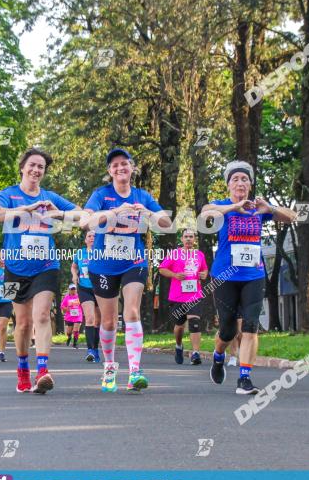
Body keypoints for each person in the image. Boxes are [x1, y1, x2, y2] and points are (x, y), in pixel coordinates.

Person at [0, 148, 86, 393]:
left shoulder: (50, 196)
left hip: (46, 264)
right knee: (21, 324)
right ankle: (22, 370)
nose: (36, 170)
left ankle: (42, 370)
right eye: (32, 165)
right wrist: (26, 210)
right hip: (15, 267)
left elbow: (84, 216)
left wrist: (58, 212)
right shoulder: (8, 194)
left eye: (41, 167)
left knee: (42, 316)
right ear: (22, 167)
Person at [202, 161, 296, 395]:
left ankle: (245, 378)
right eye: (235, 179)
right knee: (227, 330)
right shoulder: (223, 206)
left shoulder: (258, 208)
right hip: (224, 275)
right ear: (228, 185)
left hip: (253, 274)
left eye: (245, 179)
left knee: (251, 325)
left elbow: (293, 216)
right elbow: (205, 213)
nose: (240, 183)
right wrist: (234, 207)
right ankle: (218, 355)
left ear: (251, 184)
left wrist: (270, 210)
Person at [84, 148, 172, 392]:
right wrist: (114, 212)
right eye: (115, 165)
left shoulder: (142, 196)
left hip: (134, 261)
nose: (120, 168)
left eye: (124, 164)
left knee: (132, 310)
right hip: (102, 264)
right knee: (110, 321)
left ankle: (135, 370)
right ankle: (110, 366)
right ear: (109, 171)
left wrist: (149, 214)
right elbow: (86, 221)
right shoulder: (101, 195)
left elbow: (167, 223)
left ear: (132, 168)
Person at [159, 229, 208, 365]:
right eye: (186, 237)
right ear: (182, 239)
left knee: (195, 322)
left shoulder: (199, 255)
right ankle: (179, 345)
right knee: (179, 326)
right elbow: (162, 269)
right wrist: (174, 275)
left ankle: (196, 353)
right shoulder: (174, 254)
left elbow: (204, 269)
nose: (188, 239)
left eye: (191, 237)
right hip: (177, 296)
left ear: (194, 239)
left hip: (195, 295)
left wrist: (204, 274)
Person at [71, 230, 101, 362]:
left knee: (98, 321)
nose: (92, 238)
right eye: (89, 236)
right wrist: (74, 275)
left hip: (100, 289)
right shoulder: (80, 253)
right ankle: (90, 350)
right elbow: (74, 266)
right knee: (89, 318)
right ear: (85, 240)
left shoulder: (102, 252)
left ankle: (95, 349)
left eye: (94, 236)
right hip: (84, 288)